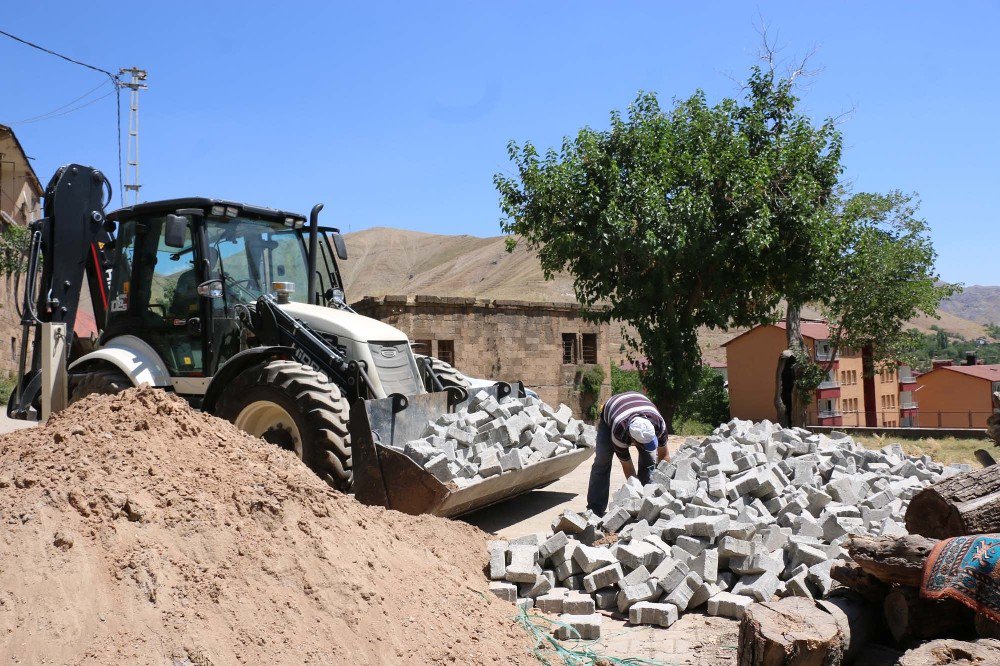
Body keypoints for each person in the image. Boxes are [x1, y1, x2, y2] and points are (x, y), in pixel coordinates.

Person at [586, 391, 669, 516]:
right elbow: (628, 469)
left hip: (639, 402)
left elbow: (665, 457)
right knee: (602, 461)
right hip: (611, 411)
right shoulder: (619, 432)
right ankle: (595, 509)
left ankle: (649, 505)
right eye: (644, 444)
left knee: (648, 462)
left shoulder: (658, 424)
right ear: (633, 439)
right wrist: (637, 496)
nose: (649, 446)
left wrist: (664, 490)